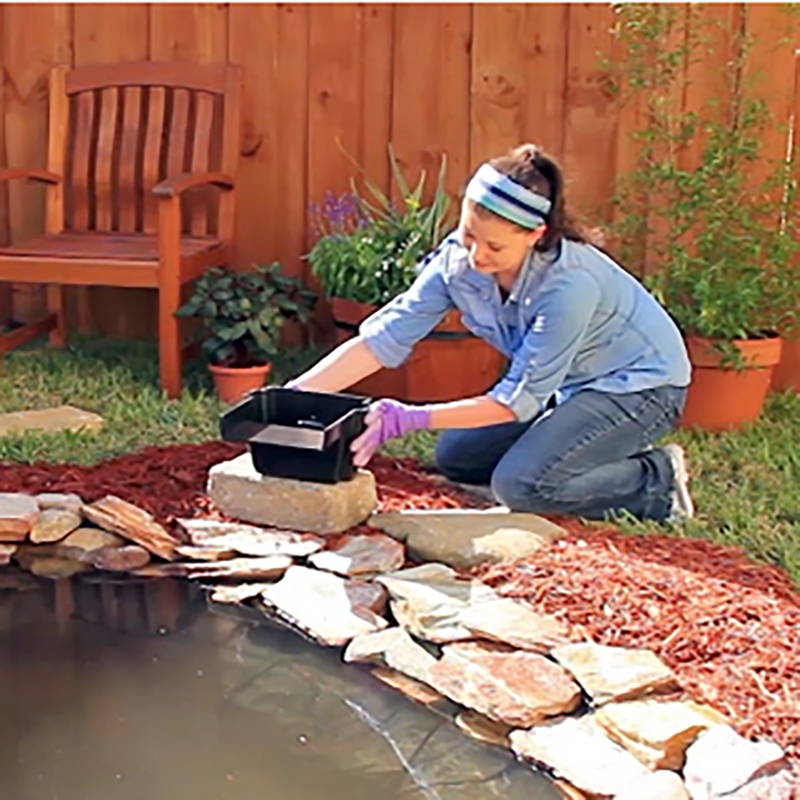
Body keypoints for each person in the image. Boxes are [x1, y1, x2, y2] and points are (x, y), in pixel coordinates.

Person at [289, 144, 694, 523]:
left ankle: (655, 481)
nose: (476, 256)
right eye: (468, 236)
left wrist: (408, 417)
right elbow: (383, 339)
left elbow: (516, 401)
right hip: (566, 385)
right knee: (456, 455)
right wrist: (292, 396)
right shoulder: (458, 263)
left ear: (535, 236)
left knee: (522, 487)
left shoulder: (570, 285)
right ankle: (566, 438)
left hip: (642, 388)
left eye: (495, 247)